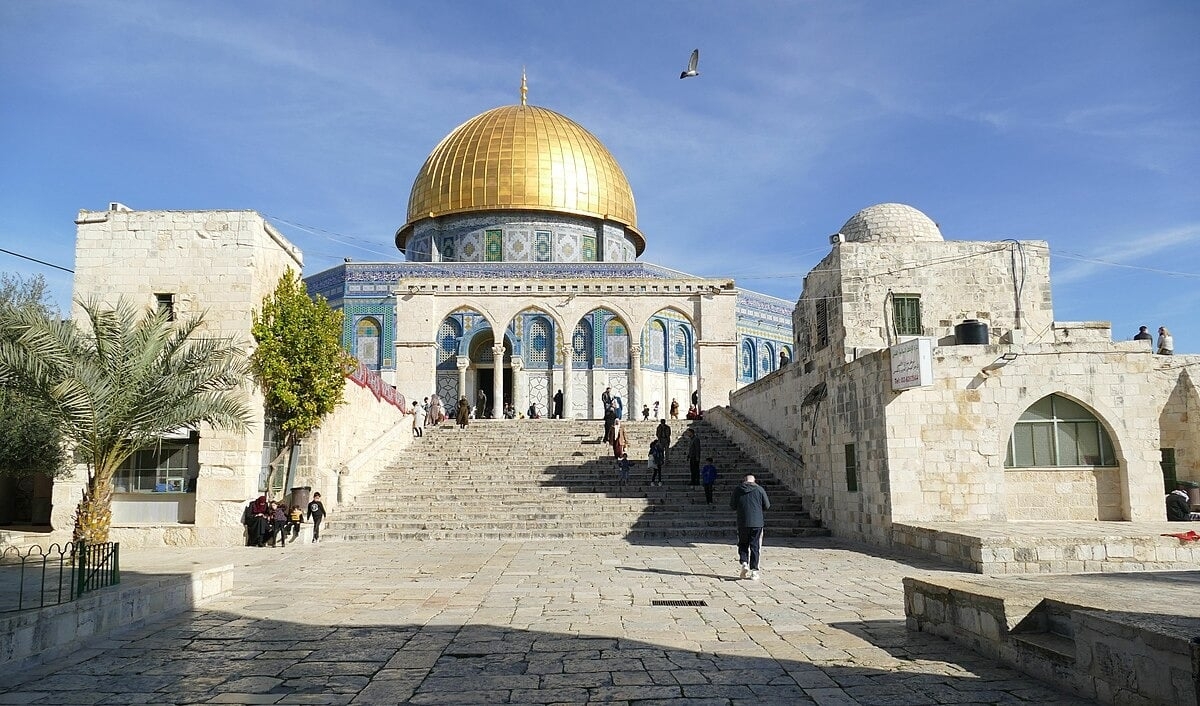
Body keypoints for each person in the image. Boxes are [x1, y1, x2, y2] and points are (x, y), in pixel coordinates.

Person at [730, 474, 771, 581]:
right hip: (757, 522)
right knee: (755, 546)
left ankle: (744, 562)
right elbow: (767, 505)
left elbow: (732, 506)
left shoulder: (738, 490)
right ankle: (754, 571)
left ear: (744, 480)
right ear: (754, 481)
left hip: (743, 522)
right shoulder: (760, 489)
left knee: (743, 543)